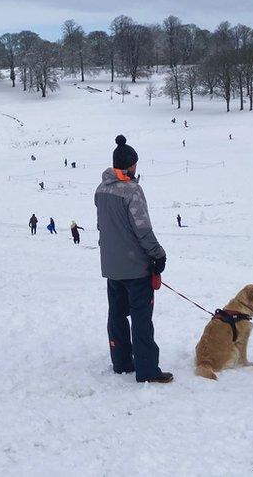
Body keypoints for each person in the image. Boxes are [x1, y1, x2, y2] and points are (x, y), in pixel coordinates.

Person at [95, 135, 171, 384]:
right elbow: (143, 229)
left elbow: (102, 227)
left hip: (111, 267)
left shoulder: (101, 189)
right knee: (141, 318)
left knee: (116, 315)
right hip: (135, 268)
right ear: (130, 165)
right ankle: (147, 369)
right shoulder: (132, 190)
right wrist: (158, 254)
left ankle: (121, 362)